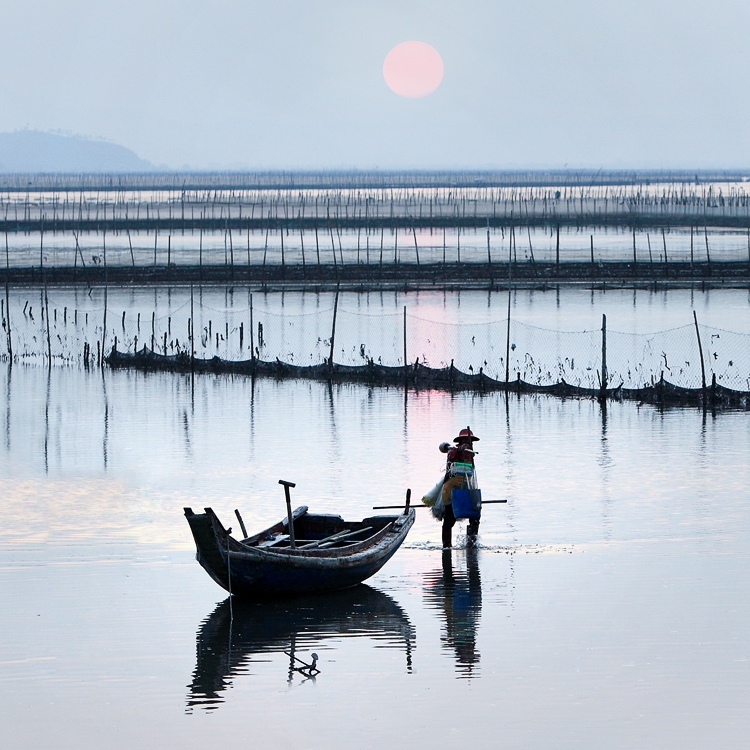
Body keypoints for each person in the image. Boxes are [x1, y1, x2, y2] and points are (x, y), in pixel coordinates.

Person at [439, 426, 480, 548]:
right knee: (449, 519)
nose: (469, 443)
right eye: (466, 441)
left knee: (475, 516)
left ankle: (471, 544)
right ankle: (447, 545)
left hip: (467, 488)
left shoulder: (470, 454)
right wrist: (459, 450)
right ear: (460, 442)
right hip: (452, 489)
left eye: (470, 441)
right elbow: (451, 455)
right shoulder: (453, 451)